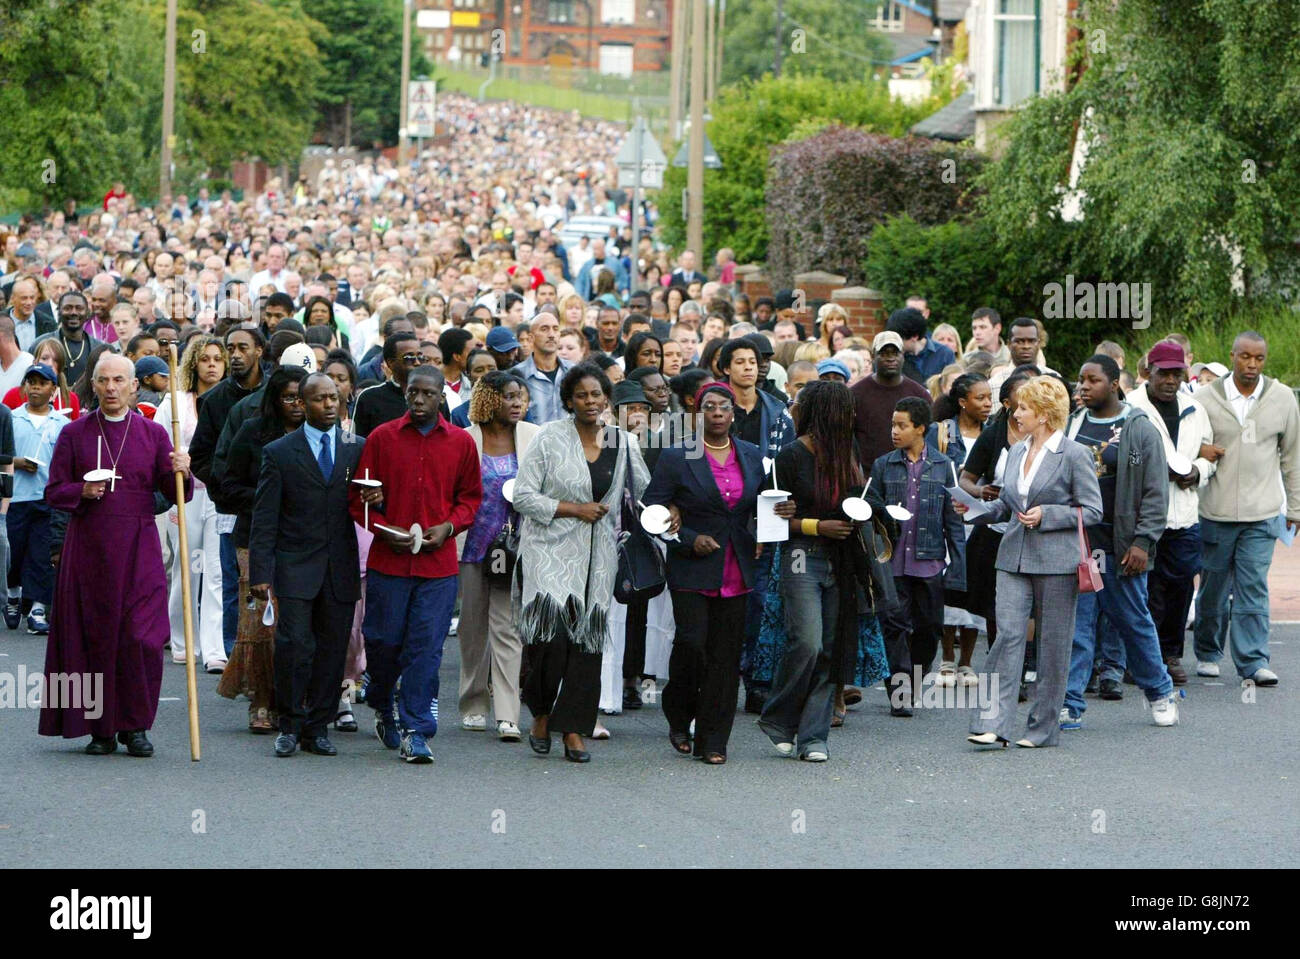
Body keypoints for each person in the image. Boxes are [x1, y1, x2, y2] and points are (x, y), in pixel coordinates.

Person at [39, 353, 194, 757]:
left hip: (140, 545)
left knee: (142, 637)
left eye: (119, 381)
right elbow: (54, 491)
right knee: (97, 637)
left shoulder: (153, 434)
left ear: (133, 386)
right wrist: (81, 492)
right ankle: (101, 729)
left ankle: (136, 725)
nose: (111, 388)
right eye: (103, 380)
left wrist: (183, 468)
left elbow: (175, 488)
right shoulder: (74, 434)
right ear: (94, 384)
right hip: (89, 547)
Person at [513, 363, 649, 763]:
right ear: (569, 400)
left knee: (586, 647)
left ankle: (573, 729)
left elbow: (643, 492)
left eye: (596, 394)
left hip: (599, 559)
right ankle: (540, 712)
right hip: (548, 553)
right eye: (582, 395)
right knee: (551, 643)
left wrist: (667, 512)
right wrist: (573, 509)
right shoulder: (549, 438)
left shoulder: (623, 442)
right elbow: (523, 495)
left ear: (607, 398)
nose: (590, 402)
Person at [348, 366, 482, 763]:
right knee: (384, 643)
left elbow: (471, 499)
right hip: (389, 561)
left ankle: (417, 730)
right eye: (413, 394)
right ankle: (382, 702)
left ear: (442, 396)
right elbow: (359, 500)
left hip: (438, 568)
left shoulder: (460, 442)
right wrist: (385, 529)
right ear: (405, 394)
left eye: (427, 394)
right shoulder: (382, 438)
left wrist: (449, 527)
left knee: (425, 650)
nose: (419, 401)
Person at [962, 376, 1102, 749]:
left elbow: (1092, 510)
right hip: (1012, 555)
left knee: (1052, 645)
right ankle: (994, 723)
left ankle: (1042, 729)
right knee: (1007, 636)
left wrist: (1048, 514)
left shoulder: (1074, 454)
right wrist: (973, 508)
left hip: (1057, 561)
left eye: (1023, 407)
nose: (1015, 412)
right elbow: (1007, 504)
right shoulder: (1016, 451)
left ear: (1043, 413)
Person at [644, 382, 770, 763]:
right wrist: (687, 538)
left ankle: (714, 740)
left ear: (734, 413)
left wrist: (776, 516)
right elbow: (652, 510)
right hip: (693, 567)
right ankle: (680, 714)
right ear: (696, 415)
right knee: (693, 645)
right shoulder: (677, 457)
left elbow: (760, 504)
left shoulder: (751, 455)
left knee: (725, 657)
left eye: (724, 406)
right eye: (709, 406)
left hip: (738, 566)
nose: (717, 412)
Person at [757, 381, 875, 762]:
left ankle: (813, 737)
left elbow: (865, 498)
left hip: (842, 560)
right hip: (801, 556)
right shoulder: (790, 457)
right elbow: (768, 520)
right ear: (829, 414)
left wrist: (866, 507)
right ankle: (778, 717)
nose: (853, 417)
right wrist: (814, 526)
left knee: (830, 649)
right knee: (806, 641)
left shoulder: (849, 453)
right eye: (847, 411)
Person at [249, 373, 365, 758]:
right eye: (319, 399)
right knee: (294, 646)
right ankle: (290, 723)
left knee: (333, 650)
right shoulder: (280, 452)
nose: (329, 405)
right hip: (295, 565)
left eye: (334, 397)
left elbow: (373, 502)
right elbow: (265, 517)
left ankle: (318, 727)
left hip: (341, 567)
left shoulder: (357, 448)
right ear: (302, 404)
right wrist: (261, 574)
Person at [1060, 355, 1178, 730]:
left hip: (1121, 544)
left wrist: (1143, 541)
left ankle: (1160, 692)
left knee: (1133, 621)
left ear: (1113, 384)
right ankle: (1071, 703)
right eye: (1080, 380)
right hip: (1080, 544)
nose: (1083, 386)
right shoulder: (1073, 424)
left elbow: (1156, 492)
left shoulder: (1139, 427)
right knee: (1078, 626)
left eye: (1092, 380)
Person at [1193, 331, 1300, 686]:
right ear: (1232, 355)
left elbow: (1292, 458)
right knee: (1213, 587)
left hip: (1262, 513)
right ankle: (1208, 650)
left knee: (1253, 585)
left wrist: (1295, 507)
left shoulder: (1283, 398)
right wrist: (1200, 451)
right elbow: (1188, 445)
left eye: (1259, 359)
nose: (1252, 365)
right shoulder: (1205, 398)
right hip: (1215, 511)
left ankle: (1253, 661)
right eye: (1245, 357)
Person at [217, 367, 307, 732]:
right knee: (260, 625)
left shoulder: (319, 434)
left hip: (305, 542)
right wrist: (268, 500)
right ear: (274, 399)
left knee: (299, 624)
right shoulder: (253, 431)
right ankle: (261, 702)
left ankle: (297, 701)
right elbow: (226, 487)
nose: (298, 405)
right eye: (289, 397)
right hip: (255, 538)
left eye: (303, 397)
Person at [1127, 341, 1218, 685]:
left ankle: (1170, 655)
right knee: (1144, 591)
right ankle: (1140, 659)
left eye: (1175, 373)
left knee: (1179, 589)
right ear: (1148, 371)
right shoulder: (1130, 406)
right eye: (1162, 372)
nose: (1169, 379)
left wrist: (1196, 471)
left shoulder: (1194, 408)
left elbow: (1209, 456)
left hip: (1184, 515)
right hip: (1142, 517)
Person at [872, 396, 967, 715]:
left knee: (929, 627)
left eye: (902, 425)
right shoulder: (883, 465)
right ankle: (899, 693)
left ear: (921, 429)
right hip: (892, 561)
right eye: (893, 425)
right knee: (894, 625)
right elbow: (872, 513)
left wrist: (958, 569)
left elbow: (953, 521)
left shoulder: (944, 466)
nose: (894, 431)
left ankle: (914, 678)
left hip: (929, 561)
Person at [458, 372, 537, 742]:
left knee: (507, 628)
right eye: (509, 397)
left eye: (521, 396)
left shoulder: (534, 438)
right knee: (472, 630)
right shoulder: (465, 440)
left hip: (515, 549)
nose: (518, 403)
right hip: (472, 546)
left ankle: (508, 713)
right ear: (489, 400)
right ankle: (473, 703)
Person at [155, 335, 229, 671]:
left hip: (217, 493)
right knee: (187, 566)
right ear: (194, 363)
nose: (212, 364)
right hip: (185, 494)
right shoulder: (175, 402)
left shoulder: (230, 402)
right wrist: (175, 462)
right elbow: (158, 443)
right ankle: (184, 639)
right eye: (205, 358)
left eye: (218, 358)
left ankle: (214, 648)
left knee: (214, 569)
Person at [926, 373, 993, 686]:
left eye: (989, 397)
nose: (987, 404)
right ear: (963, 402)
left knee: (974, 587)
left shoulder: (992, 433)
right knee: (949, 589)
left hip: (980, 521)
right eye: (980, 398)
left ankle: (967, 660)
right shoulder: (940, 432)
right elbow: (927, 470)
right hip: (948, 519)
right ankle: (947, 658)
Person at [7, 364, 69, 634]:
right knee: (13, 550)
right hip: (14, 497)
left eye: (42, 383)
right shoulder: (12, 418)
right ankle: (12, 593)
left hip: (46, 498)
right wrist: (16, 462)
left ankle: (38, 609)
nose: (35, 387)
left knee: (42, 554)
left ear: (53, 390)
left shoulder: (62, 424)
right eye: (30, 382)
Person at [851, 330, 931, 477]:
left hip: (910, 475)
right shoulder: (855, 394)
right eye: (884, 353)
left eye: (895, 353)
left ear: (903, 356)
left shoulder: (920, 394)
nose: (890, 358)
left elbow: (929, 437)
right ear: (874, 356)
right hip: (868, 477)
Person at [353, 331, 420, 436]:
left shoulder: (434, 396)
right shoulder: (369, 398)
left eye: (420, 357)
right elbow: (355, 443)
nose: (417, 362)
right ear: (390, 363)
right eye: (408, 358)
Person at [513, 309, 572, 426]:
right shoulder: (517, 376)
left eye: (555, 329)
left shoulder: (574, 372)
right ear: (531, 338)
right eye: (544, 329)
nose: (551, 335)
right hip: (533, 442)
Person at [888, 307, 954, 383]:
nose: (896, 344)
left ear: (914, 337)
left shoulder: (944, 354)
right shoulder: (893, 358)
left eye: (899, 340)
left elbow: (951, 387)